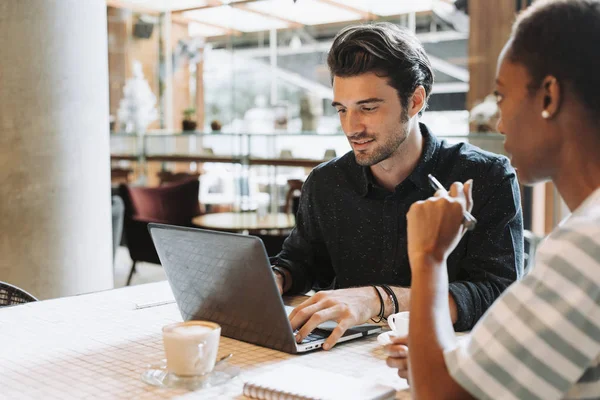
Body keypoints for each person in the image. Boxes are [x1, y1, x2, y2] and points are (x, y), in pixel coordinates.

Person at [386, 1, 600, 398]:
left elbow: (441, 395)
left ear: (549, 96)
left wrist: (430, 258)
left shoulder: (587, 245)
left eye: (502, 96)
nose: (499, 123)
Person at [270, 22, 524, 350]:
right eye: (342, 110)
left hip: (448, 360)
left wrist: (378, 299)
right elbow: (302, 260)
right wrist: (275, 279)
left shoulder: (486, 176)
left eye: (368, 108)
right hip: (338, 357)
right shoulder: (325, 182)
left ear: (415, 100)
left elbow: (498, 296)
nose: (351, 127)